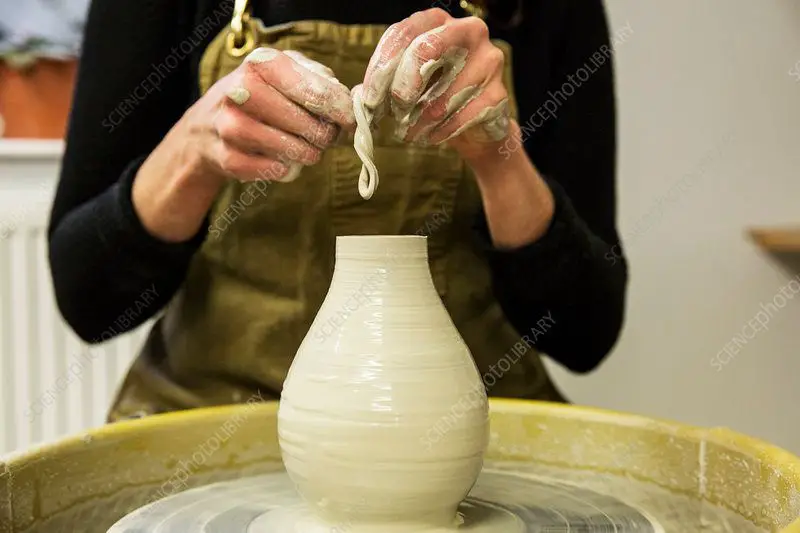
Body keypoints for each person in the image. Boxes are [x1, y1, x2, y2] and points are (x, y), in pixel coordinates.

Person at [48, 0, 628, 421]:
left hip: (463, 427)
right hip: (217, 419)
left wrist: (500, 158)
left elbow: (587, 335)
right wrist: (193, 154)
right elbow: (91, 304)